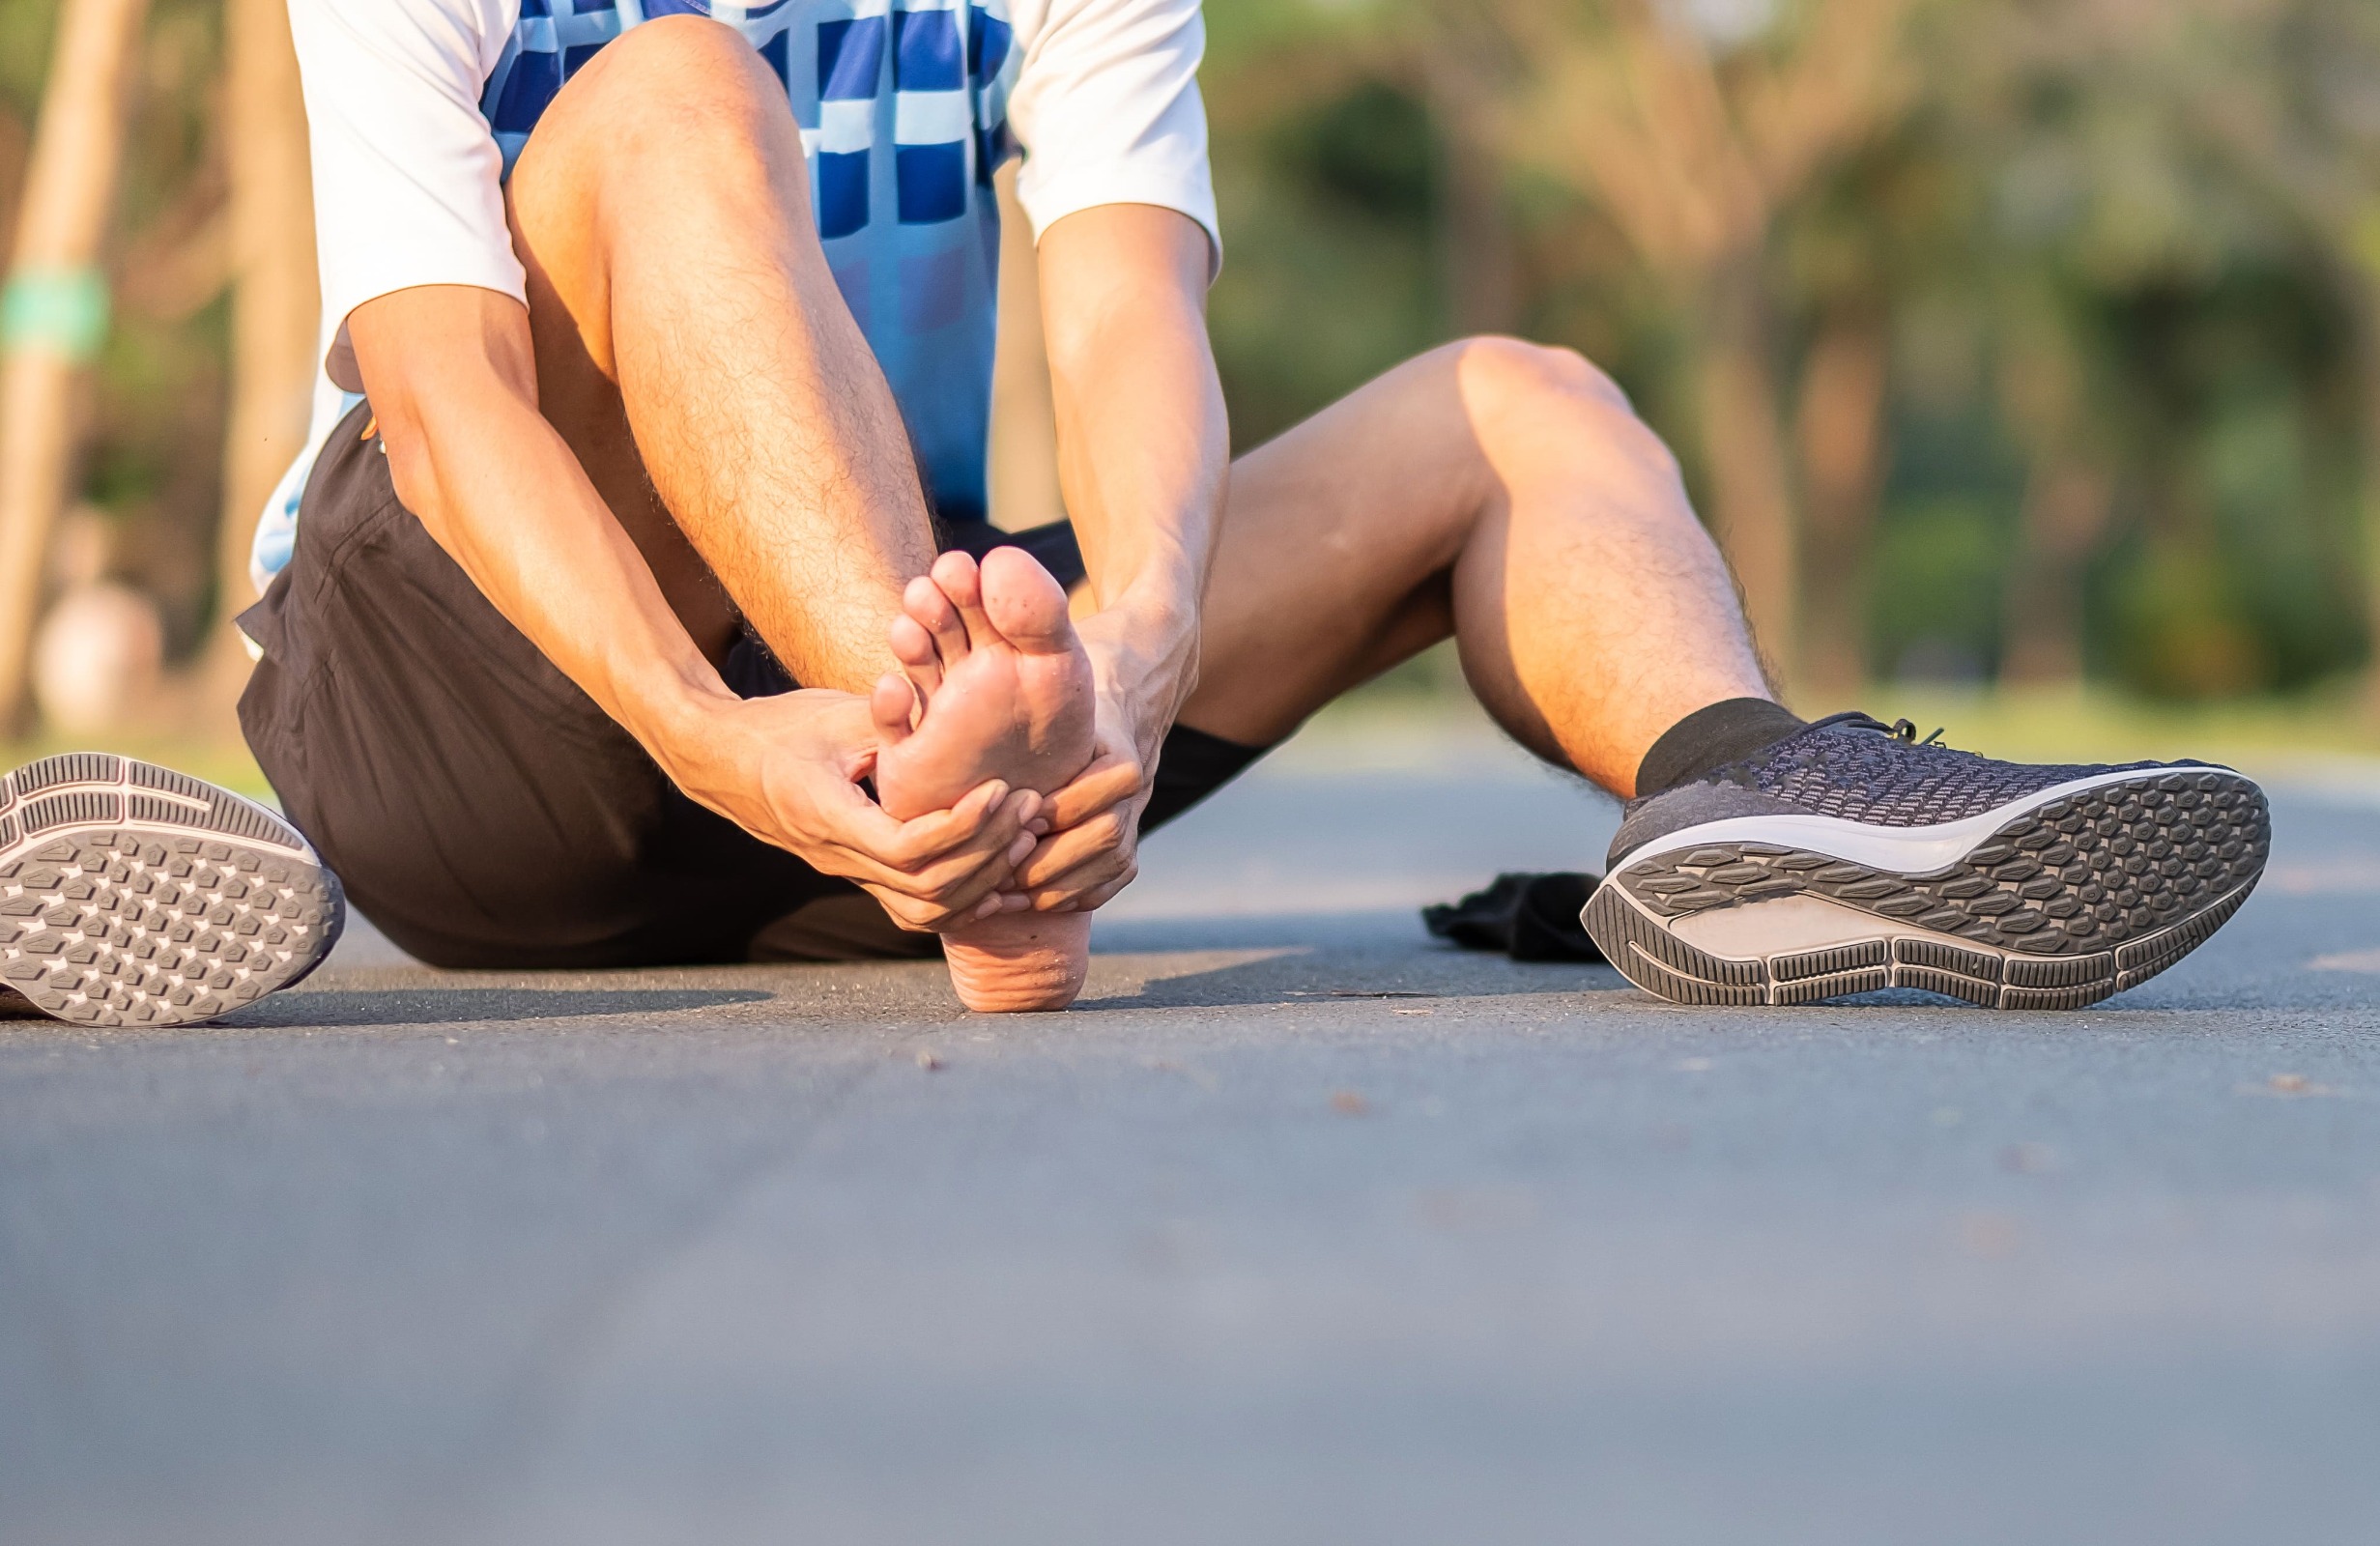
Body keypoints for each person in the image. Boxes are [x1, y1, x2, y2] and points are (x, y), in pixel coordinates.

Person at [196, 0, 2262, 1017]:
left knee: (1514, 402)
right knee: (661, 95)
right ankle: (956, 780)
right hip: (484, 701)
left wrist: (1140, 643)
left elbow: (1119, 313)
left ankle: (1752, 804)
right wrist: (707, 728)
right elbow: (451, 399)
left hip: (913, 760)